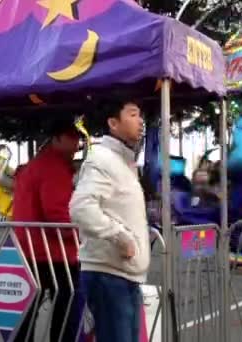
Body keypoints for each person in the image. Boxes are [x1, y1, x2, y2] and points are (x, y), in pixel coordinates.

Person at [70, 99, 150, 342]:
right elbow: (81, 207)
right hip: (109, 276)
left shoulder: (124, 162)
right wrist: (120, 237)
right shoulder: (101, 159)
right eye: (133, 115)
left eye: (140, 115)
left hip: (124, 275)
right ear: (113, 123)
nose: (140, 121)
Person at [13, 118, 81, 342]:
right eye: (72, 138)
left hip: (30, 249)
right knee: (67, 310)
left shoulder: (36, 165)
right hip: (54, 253)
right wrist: (82, 235)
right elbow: (57, 214)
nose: (77, 144)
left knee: (29, 310)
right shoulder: (54, 167)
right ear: (57, 139)